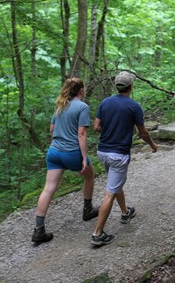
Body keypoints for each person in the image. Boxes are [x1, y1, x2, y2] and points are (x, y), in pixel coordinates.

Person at [90, 71, 158, 246]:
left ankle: (125, 211)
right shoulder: (134, 106)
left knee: (115, 182)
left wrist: (110, 130)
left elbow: (96, 126)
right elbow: (142, 132)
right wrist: (152, 145)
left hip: (103, 152)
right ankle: (97, 234)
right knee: (110, 192)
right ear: (131, 87)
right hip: (118, 154)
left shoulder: (105, 102)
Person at [32, 77, 99, 245]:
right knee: (90, 176)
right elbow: (81, 134)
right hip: (72, 152)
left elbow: (52, 129)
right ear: (81, 90)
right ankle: (87, 210)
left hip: (54, 152)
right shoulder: (82, 107)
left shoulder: (60, 106)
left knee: (48, 188)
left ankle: (38, 230)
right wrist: (84, 158)